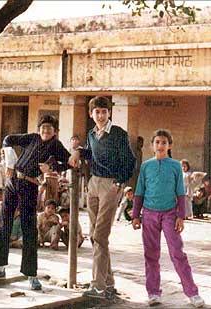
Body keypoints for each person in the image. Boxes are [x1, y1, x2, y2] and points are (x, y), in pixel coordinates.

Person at [0, 114, 71, 291]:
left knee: (29, 229)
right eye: (43, 127)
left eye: (49, 128)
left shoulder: (56, 145)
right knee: (4, 225)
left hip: (29, 187)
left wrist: (52, 168)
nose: (45, 130)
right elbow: (8, 139)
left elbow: (69, 162)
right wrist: (9, 160)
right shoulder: (32, 137)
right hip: (12, 182)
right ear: (39, 129)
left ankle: (31, 275)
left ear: (55, 131)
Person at [69, 96, 136, 299]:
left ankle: (97, 285)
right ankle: (108, 282)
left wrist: (120, 181)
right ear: (91, 114)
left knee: (100, 236)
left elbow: (130, 160)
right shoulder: (91, 134)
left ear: (109, 113)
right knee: (94, 235)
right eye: (96, 112)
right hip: (94, 184)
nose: (100, 115)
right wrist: (78, 152)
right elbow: (92, 154)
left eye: (104, 112)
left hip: (110, 185)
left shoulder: (118, 134)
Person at [132, 129, 204, 308]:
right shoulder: (146, 166)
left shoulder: (175, 166)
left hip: (170, 214)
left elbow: (180, 192)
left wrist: (181, 216)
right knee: (151, 254)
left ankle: (192, 293)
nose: (160, 145)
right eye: (157, 142)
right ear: (152, 145)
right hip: (148, 214)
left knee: (177, 253)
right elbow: (139, 191)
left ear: (169, 145)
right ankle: (153, 292)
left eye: (164, 142)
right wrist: (135, 215)